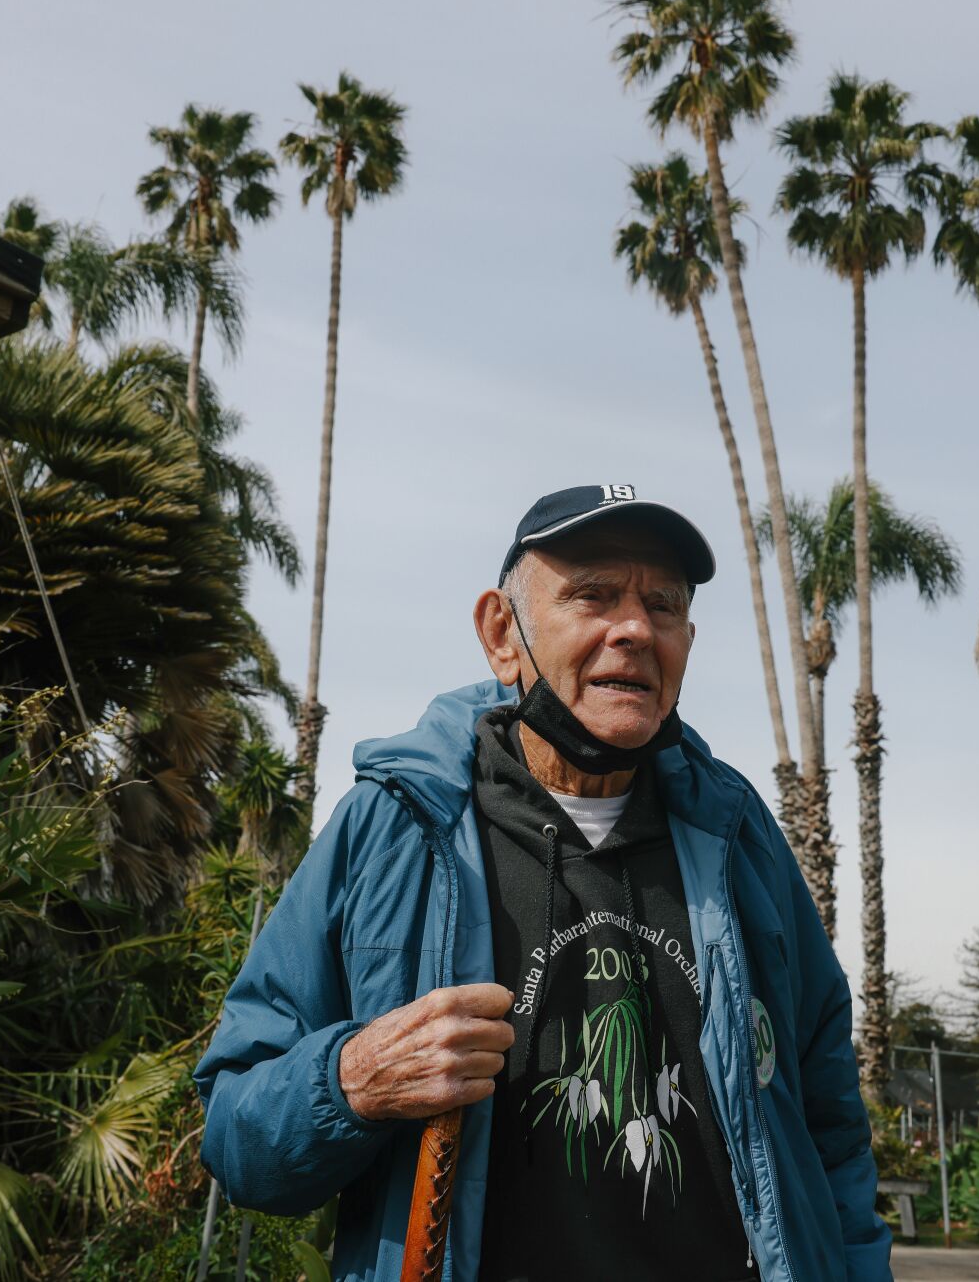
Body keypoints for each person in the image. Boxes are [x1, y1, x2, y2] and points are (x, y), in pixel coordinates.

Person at [194, 485, 890, 1281]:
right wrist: (352, 1079)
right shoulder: (395, 827)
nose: (634, 629)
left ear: (686, 640)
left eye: (663, 606)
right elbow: (236, 1139)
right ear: (503, 632)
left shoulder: (737, 837)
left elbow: (831, 1131)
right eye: (592, 595)